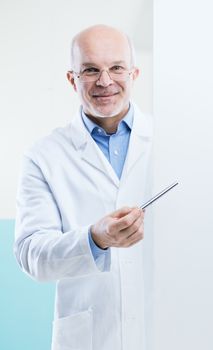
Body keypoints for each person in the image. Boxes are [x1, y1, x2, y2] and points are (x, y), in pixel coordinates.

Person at [14, 24, 153, 350]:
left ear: (134, 73)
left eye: (116, 67)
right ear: (71, 79)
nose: (105, 81)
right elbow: (31, 254)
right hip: (90, 338)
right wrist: (94, 239)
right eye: (90, 70)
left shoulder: (171, 141)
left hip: (163, 328)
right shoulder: (43, 156)